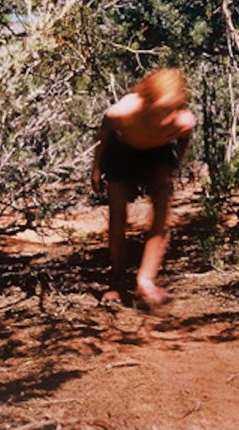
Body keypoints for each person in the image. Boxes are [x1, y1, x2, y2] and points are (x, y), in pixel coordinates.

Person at [91, 68, 196, 309]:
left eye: (175, 108)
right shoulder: (124, 111)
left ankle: (145, 282)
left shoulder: (182, 121)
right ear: (147, 102)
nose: (170, 116)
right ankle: (117, 278)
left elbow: (183, 140)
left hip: (156, 154)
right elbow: (103, 134)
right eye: (163, 109)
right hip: (121, 150)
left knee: (161, 210)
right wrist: (96, 168)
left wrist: (172, 166)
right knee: (118, 216)